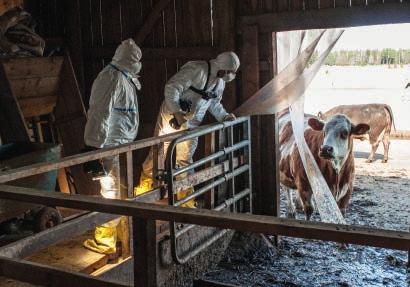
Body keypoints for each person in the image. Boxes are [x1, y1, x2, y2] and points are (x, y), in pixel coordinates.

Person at [134, 52, 240, 207]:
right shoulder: (196, 70)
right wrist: (177, 112)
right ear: (222, 68)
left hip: (192, 124)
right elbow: (171, 88)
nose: (230, 75)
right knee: (159, 151)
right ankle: (144, 190)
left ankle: (186, 199)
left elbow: (214, 103)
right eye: (230, 71)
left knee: (185, 160)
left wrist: (224, 117)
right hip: (171, 117)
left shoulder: (220, 82)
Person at [83, 39, 142, 255]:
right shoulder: (110, 77)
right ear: (130, 59)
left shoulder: (124, 77)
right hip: (109, 144)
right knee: (111, 191)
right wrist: (94, 147)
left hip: (120, 144)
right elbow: (99, 113)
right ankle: (105, 241)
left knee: (119, 190)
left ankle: (117, 237)